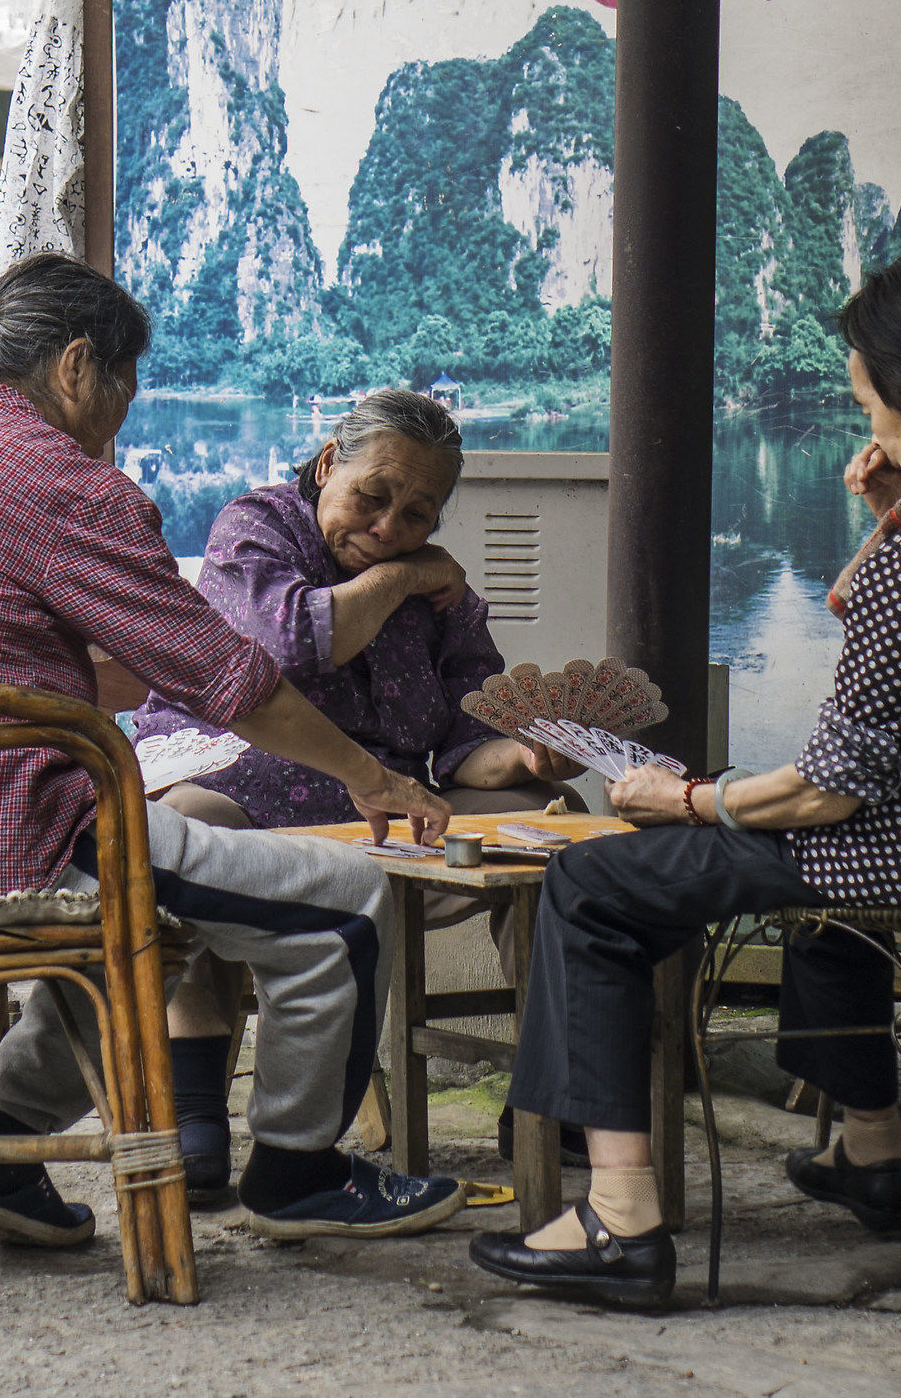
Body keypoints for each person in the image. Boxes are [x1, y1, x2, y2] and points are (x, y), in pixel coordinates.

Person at [0, 252, 468, 1248]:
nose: (126, 407)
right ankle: (300, 1169)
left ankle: (6, 1146)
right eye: (127, 380)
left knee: (157, 912)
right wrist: (372, 778)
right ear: (77, 366)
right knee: (348, 904)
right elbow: (232, 683)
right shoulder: (68, 484)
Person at [469, 249, 901, 1309]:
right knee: (808, 889)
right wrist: (895, 509)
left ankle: (619, 1216)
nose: (871, 425)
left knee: (592, 888)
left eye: (872, 402)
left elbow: (832, 791)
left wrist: (692, 797)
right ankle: (869, 1152)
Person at [130, 387, 580, 1195]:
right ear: (329, 462)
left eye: (417, 515)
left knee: (554, 828)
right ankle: (193, 1108)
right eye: (373, 498)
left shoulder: (440, 594)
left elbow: (466, 738)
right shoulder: (255, 526)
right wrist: (406, 573)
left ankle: (549, 1090)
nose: (387, 528)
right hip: (238, 780)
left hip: (385, 806)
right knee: (190, 831)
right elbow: (295, 639)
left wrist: (525, 759)